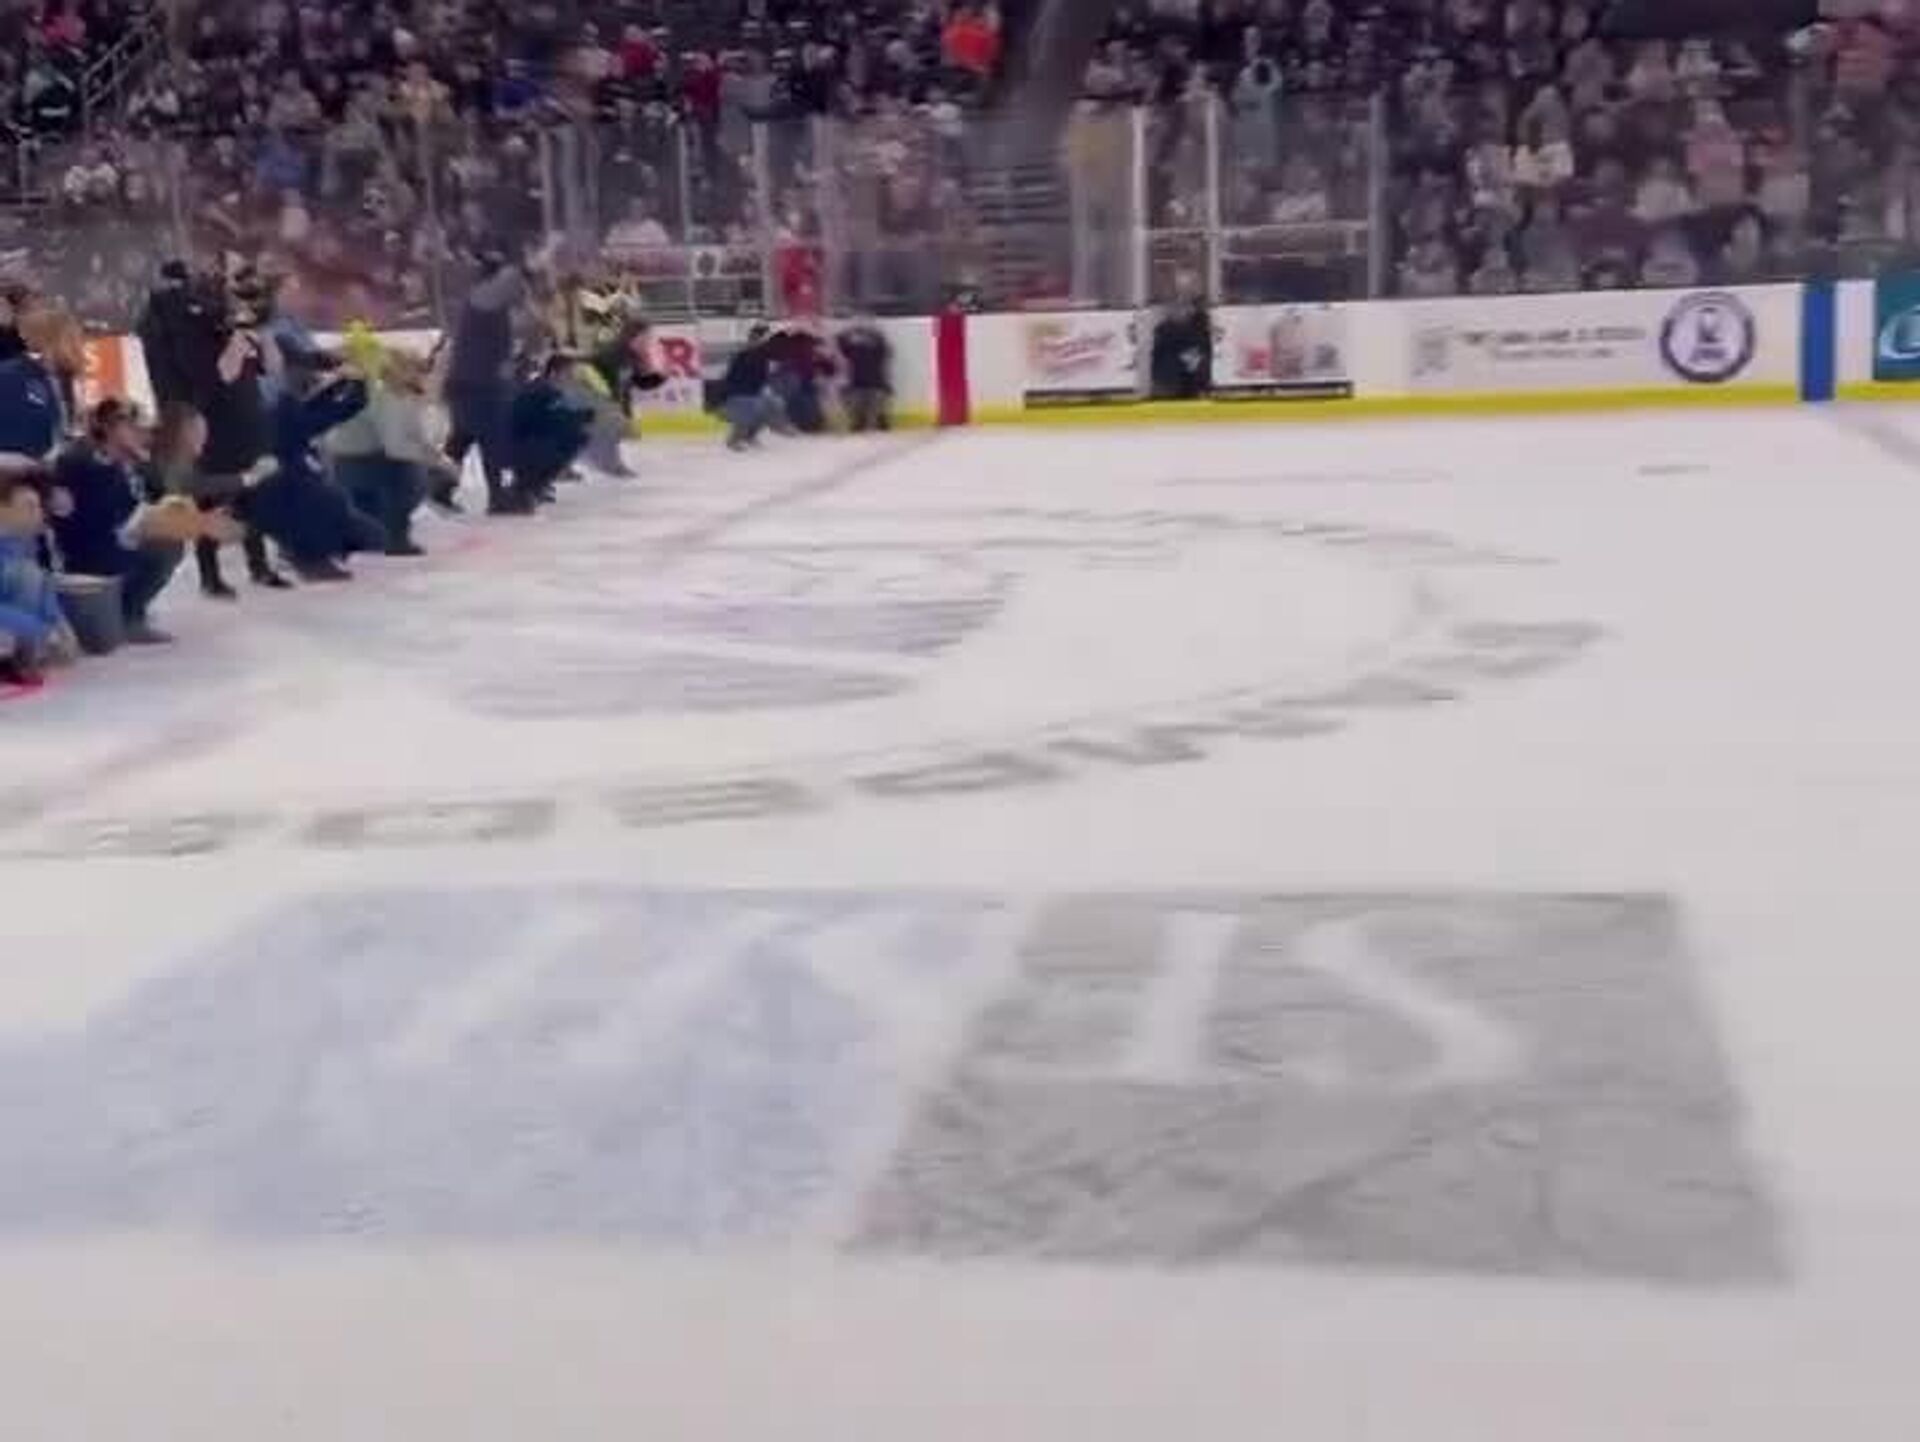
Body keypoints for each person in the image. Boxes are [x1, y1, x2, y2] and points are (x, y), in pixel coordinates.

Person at [47, 399, 186, 644]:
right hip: (85, 549)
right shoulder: (80, 458)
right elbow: (75, 515)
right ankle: (128, 616)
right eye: (132, 427)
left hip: (112, 535)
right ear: (112, 428)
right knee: (165, 546)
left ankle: (128, 608)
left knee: (171, 537)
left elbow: (141, 501)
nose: (141, 434)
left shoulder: (124, 460)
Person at [185, 270, 289, 597]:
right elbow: (223, 374)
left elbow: (273, 368)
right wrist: (240, 335)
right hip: (217, 432)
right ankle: (209, 576)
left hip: (248, 426)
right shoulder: (200, 338)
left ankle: (259, 566)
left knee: (253, 500)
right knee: (212, 505)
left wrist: (264, 333)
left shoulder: (243, 336)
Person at [444, 241, 551, 515]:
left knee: (462, 438)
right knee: (492, 437)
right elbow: (511, 283)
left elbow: (527, 323)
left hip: (470, 379)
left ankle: (440, 486)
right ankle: (497, 496)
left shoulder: (485, 303)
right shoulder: (483, 297)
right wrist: (530, 265)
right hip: (477, 382)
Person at [248, 358, 376, 582]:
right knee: (328, 502)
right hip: (286, 487)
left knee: (329, 498)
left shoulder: (282, 405)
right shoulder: (288, 413)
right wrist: (359, 383)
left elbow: (318, 402)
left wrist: (344, 381)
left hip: (277, 478)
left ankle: (303, 551)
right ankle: (310, 558)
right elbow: (336, 409)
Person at [325, 349, 451, 556]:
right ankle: (395, 537)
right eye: (417, 370)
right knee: (411, 475)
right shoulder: (387, 396)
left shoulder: (398, 394)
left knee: (411, 468)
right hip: (356, 462)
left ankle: (369, 531)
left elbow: (415, 436)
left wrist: (438, 457)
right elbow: (397, 447)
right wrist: (434, 461)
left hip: (356, 461)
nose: (423, 375)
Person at [0, 474, 75, 684]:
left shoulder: (25, 548)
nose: (39, 514)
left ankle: (23, 656)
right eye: (29, 507)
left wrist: (61, 627)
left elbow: (45, 592)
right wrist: (41, 631)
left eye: (39, 507)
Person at [507, 354, 596, 503]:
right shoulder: (542, 390)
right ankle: (527, 484)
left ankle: (536, 483)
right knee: (572, 437)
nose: (572, 378)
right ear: (554, 373)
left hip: (528, 443)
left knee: (578, 435)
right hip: (521, 446)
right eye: (568, 374)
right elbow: (556, 420)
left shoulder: (551, 389)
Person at [718, 323, 776, 450]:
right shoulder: (745, 354)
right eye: (765, 338)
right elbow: (733, 376)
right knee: (749, 410)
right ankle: (733, 440)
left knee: (771, 408)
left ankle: (749, 436)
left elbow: (763, 377)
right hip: (740, 392)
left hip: (752, 391)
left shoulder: (763, 355)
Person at [836, 320, 894, 432]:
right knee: (849, 394)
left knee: (876, 396)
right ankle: (861, 419)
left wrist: (857, 331)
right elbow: (840, 340)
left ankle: (877, 418)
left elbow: (884, 345)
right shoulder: (854, 350)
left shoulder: (877, 350)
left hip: (875, 385)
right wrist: (853, 330)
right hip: (860, 384)